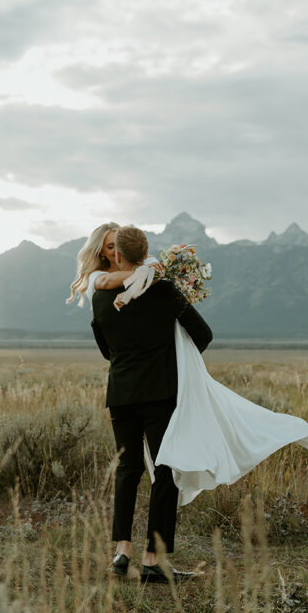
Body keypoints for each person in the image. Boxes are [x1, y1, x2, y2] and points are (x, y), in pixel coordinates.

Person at [90, 225, 213, 584]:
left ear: (117, 255)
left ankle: (121, 552)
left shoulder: (99, 297)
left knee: (128, 469)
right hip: (160, 394)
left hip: (121, 394)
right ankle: (152, 561)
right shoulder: (164, 290)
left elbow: (105, 351)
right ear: (147, 254)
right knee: (166, 471)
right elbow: (203, 335)